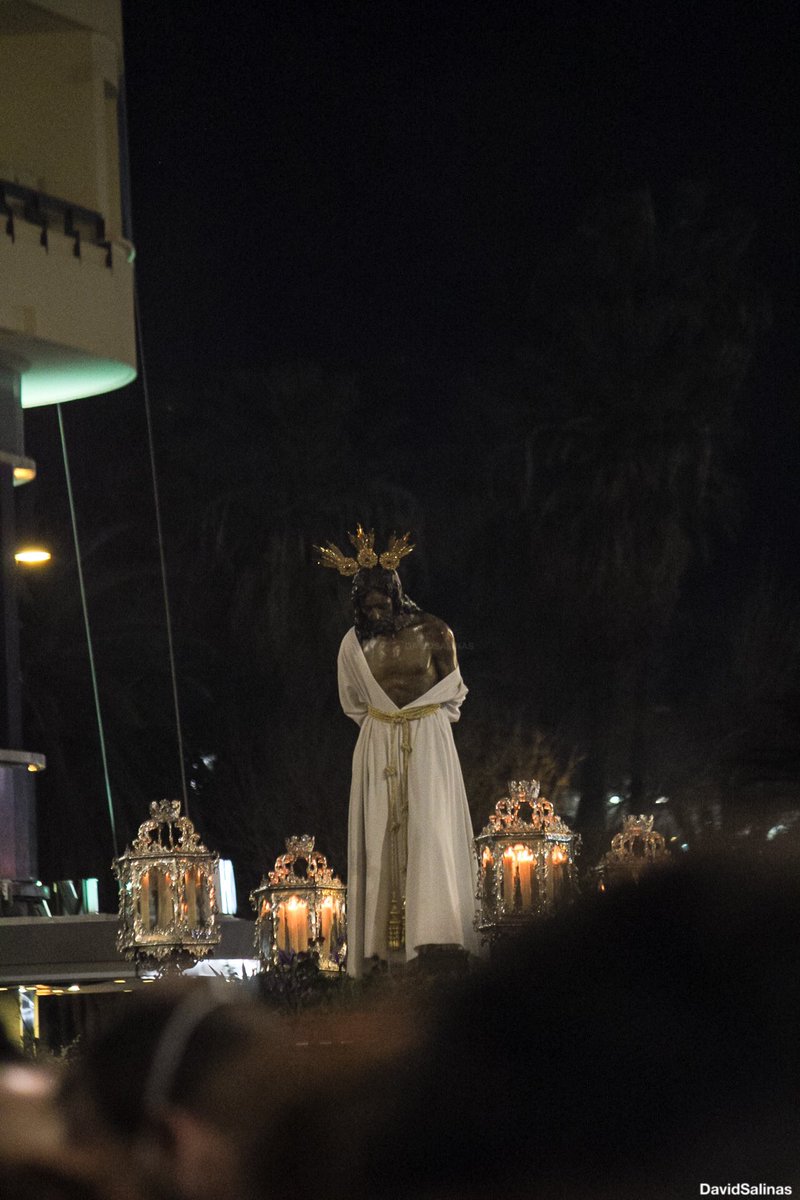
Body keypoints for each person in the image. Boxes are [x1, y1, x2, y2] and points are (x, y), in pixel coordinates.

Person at [318, 525, 478, 976]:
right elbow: (353, 702)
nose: (374, 612)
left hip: (427, 741)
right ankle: (381, 951)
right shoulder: (353, 643)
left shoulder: (434, 631)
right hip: (379, 744)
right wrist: (385, 728)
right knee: (379, 837)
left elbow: (455, 692)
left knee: (431, 831)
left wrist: (418, 722)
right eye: (365, 606)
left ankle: (438, 937)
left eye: (380, 603)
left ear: (396, 594)